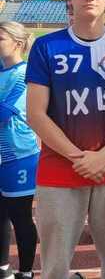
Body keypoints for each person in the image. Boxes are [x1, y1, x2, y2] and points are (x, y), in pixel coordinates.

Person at [26, 0, 105, 279]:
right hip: (59, 168)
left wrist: (103, 156)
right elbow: (35, 114)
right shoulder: (46, 46)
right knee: (54, 267)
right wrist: (80, 158)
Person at [0, 22, 38, 279]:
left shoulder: (25, 74)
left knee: (20, 216)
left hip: (19, 156)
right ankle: (3, 268)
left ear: (18, 43)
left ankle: (26, 271)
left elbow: (3, 113)